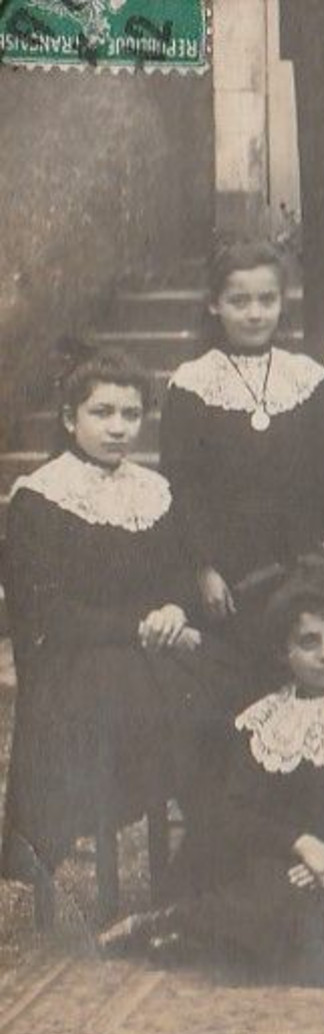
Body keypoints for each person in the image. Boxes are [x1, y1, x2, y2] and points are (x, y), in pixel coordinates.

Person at [102, 564, 324, 986]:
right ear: (285, 652)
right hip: (303, 861)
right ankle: (173, 923)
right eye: (309, 642)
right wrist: (304, 845)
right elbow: (237, 814)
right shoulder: (269, 721)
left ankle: (199, 932)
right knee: (282, 911)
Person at [2, 348, 248, 920]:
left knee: (233, 691)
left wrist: (172, 609)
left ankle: (211, 863)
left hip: (152, 647)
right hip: (75, 658)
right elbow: (45, 612)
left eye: (131, 415)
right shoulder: (40, 497)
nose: (118, 428)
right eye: (103, 413)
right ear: (70, 420)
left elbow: (176, 577)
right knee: (141, 704)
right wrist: (139, 626)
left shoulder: (155, 491)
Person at [161, 240, 324, 669]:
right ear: (214, 304)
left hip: (300, 556)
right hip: (227, 568)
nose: (255, 313)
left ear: (282, 302)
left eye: (266, 300)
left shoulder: (307, 377)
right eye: (239, 301)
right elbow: (181, 486)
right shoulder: (193, 384)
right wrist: (204, 568)